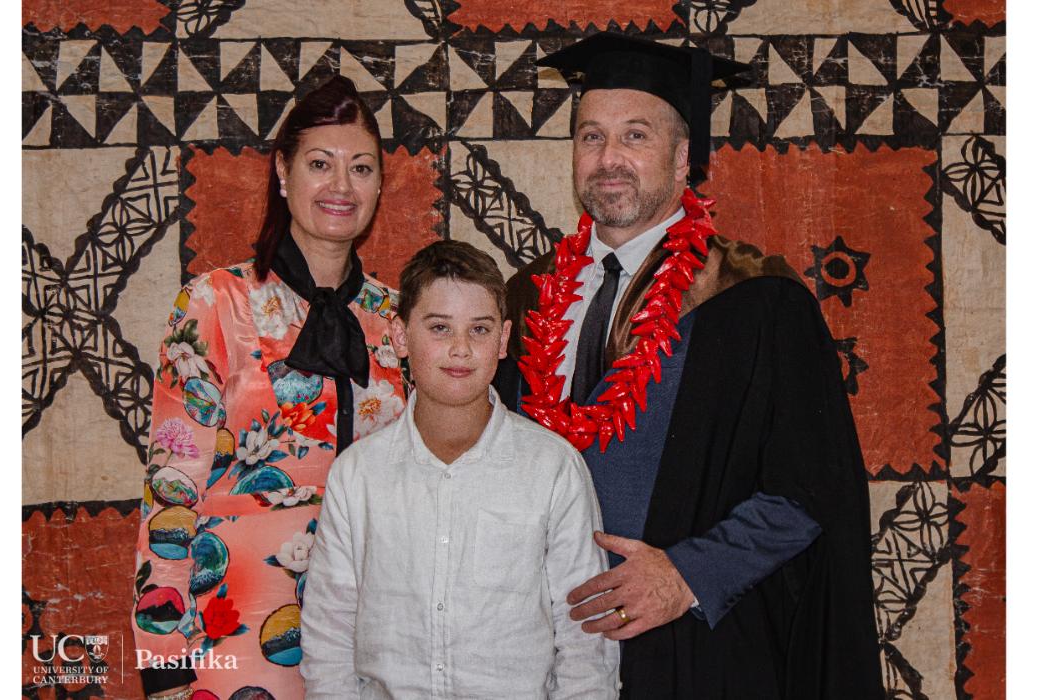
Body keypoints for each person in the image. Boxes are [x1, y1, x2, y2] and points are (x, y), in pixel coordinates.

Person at [494, 33, 884, 698]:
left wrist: (684, 576)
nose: (609, 158)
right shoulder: (524, 299)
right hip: (543, 646)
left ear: (683, 160)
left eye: (635, 136)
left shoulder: (757, 299)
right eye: (591, 137)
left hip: (701, 650)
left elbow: (812, 487)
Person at [131, 74, 408, 700]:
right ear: (283, 172)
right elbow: (169, 495)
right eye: (320, 164)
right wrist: (163, 661)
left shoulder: (399, 320)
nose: (342, 186)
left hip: (377, 635)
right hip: (234, 630)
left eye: (361, 168)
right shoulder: (216, 303)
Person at [299, 240, 620, 698]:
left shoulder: (552, 469)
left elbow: (585, 638)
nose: (460, 349)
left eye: (480, 330)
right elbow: (329, 635)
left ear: (504, 340)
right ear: (400, 336)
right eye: (439, 328)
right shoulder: (358, 476)